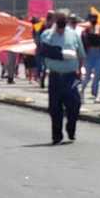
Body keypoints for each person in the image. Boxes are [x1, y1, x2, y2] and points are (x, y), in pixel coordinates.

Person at [40, 12, 86, 144]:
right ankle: (57, 135)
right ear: (55, 23)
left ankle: (71, 128)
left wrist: (80, 70)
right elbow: (43, 51)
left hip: (71, 76)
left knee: (75, 104)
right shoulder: (47, 35)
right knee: (54, 107)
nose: (60, 30)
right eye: (58, 26)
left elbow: (81, 54)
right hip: (55, 76)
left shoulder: (73, 35)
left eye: (62, 26)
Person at [81, 15, 100, 103]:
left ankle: (95, 94)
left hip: (98, 53)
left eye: (95, 19)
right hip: (89, 53)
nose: (94, 20)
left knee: (97, 76)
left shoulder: (99, 28)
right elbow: (84, 42)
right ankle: (82, 92)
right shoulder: (86, 30)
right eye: (92, 19)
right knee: (88, 76)